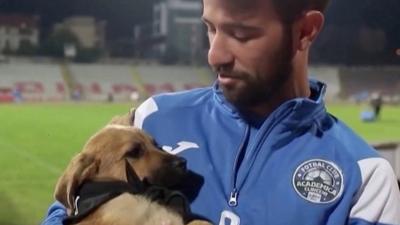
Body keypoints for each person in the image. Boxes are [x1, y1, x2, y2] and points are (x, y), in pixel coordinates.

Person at [42, 0, 400, 224]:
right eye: (210, 28)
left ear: (305, 31)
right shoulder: (150, 120)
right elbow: (66, 210)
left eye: (240, 33)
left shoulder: (365, 179)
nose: (214, 54)